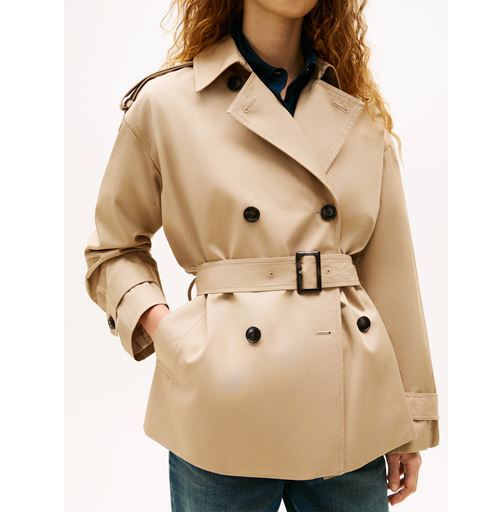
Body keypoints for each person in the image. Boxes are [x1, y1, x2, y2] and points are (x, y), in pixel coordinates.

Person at [84, 0, 440, 510]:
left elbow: (392, 276)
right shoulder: (166, 105)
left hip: (349, 408)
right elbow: (114, 248)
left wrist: (411, 421)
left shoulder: (358, 117)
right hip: (221, 405)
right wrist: (169, 333)